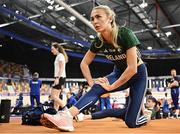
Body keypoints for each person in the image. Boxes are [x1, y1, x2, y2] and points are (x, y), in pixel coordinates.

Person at [41, 5, 149, 131]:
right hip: (119, 72)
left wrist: (111, 87)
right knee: (98, 86)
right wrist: (91, 83)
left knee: (132, 122)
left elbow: (132, 69)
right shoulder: (98, 41)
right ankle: (67, 116)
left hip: (138, 75)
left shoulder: (125, 34)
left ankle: (144, 116)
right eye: (92, 19)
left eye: (98, 17)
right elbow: (84, 63)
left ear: (110, 18)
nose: (94, 21)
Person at [50, 42, 68, 111]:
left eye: (52, 49)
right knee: (56, 97)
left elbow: (62, 67)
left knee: (53, 96)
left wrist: (57, 78)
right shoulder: (59, 56)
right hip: (60, 77)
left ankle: (66, 109)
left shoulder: (60, 56)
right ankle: (55, 113)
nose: (51, 51)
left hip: (60, 77)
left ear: (57, 48)